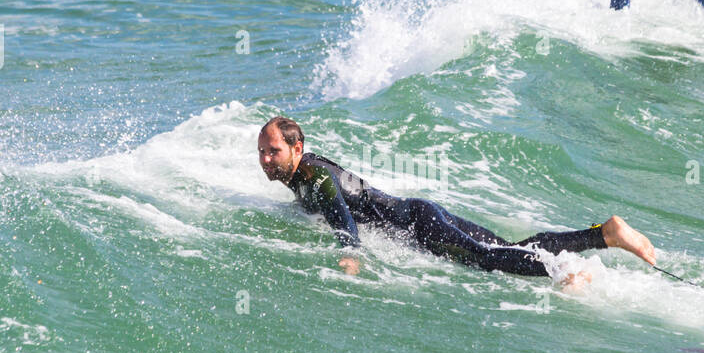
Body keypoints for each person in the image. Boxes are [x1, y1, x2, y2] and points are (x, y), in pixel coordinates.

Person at [257, 116, 657, 278]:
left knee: (488, 260)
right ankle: (604, 234)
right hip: (419, 212)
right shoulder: (306, 174)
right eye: (262, 151)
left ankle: (562, 272)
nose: (266, 158)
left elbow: (341, 215)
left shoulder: (314, 175)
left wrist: (351, 253)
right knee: (506, 249)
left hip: (417, 223)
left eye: (273, 150)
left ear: (297, 147)